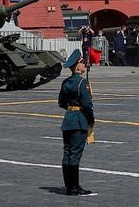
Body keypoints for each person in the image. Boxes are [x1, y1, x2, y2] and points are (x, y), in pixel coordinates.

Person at [57, 49, 96, 197]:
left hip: (68, 119)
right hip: (79, 120)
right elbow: (87, 104)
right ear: (77, 66)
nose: (84, 64)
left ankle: (69, 185)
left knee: (67, 153)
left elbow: (61, 102)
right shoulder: (82, 83)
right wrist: (91, 120)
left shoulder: (66, 82)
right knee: (75, 154)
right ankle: (74, 187)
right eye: (81, 62)